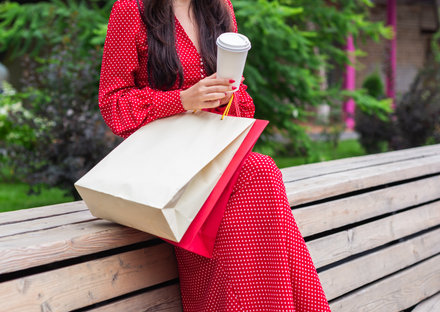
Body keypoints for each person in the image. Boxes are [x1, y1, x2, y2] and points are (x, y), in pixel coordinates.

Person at [99, 0, 331, 311]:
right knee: (260, 171)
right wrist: (182, 100)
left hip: (211, 155)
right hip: (163, 168)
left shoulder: (220, 8)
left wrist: (229, 94)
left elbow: (241, 105)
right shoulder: (131, 9)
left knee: (260, 172)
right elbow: (113, 104)